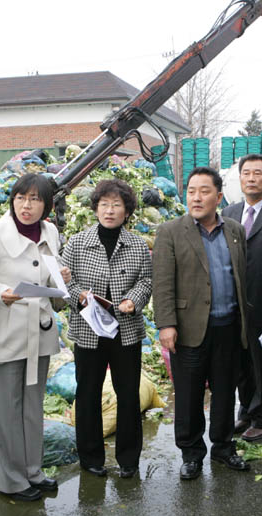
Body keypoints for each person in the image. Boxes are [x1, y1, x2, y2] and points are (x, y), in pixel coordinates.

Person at [153, 167, 250, 480]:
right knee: (189, 394)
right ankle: (192, 453)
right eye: (191, 190)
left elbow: (241, 276)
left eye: (204, 191)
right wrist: (166, 324)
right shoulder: (170, 231)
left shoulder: (234, 230)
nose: (196, 197)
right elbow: (163, 282)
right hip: (188, 327)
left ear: (219, 196)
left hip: (228, 327)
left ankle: (223, 447)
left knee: (224, 391)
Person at [0, 173, 68, 501]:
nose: (26, 206)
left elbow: (49, 275)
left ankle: (33, 471)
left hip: (39, 331)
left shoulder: (50, 231)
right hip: (6, 331)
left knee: (32, 405)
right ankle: (12, 481)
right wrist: (2, 291)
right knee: (6, 410)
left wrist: (61, 277)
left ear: (47, 205)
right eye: (20, 198)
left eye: (34, 199)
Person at [61, 178, 153, 479]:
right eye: (104, 204)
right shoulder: (76, 242)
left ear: (127, 211)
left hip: (126, 329)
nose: (110, 211)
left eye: (117, 205)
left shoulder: (138, 244)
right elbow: (66, 282)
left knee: (128, 394)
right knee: (87, 393)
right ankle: (91, 457)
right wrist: (80, 296)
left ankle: (128, 459)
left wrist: (133, 301)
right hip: (89, 329)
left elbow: (146, 280)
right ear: (95, 208)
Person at [221, 153, 262, 441]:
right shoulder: (229, 213)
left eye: (258, 173)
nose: (252, 178)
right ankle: (246, 409)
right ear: (239, 178)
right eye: (247, 173)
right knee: (240, 361)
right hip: (234, 302)